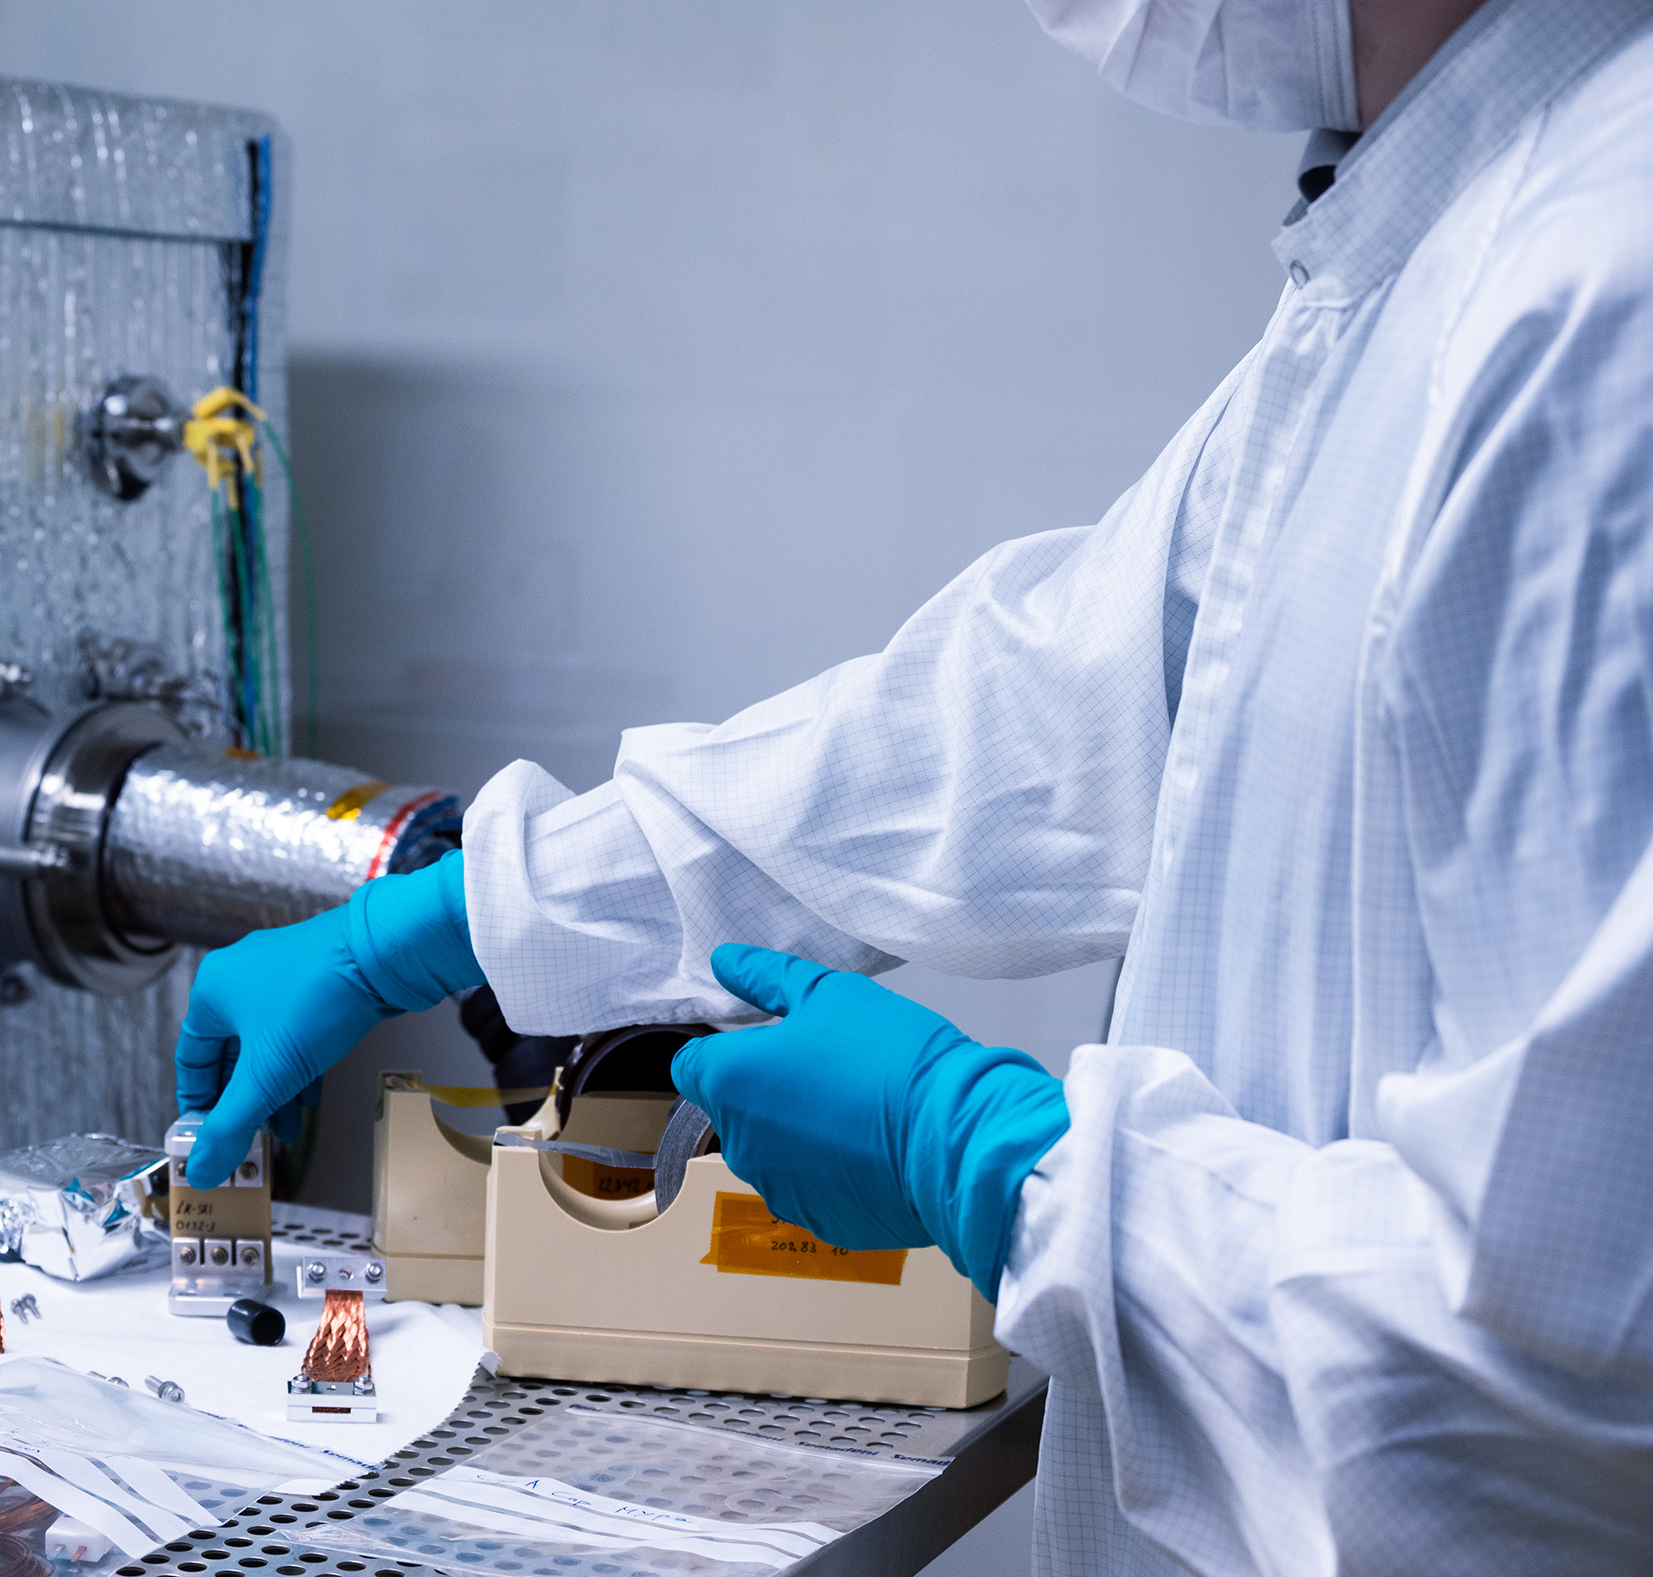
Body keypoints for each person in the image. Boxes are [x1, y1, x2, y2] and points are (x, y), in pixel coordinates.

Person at [175, 0, 1653, 1568]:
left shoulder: (1599, 296)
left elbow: (1545, 1392)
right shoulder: (1431, 242)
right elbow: (1030, 717)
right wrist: (471, 909)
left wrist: (1005, 1172)